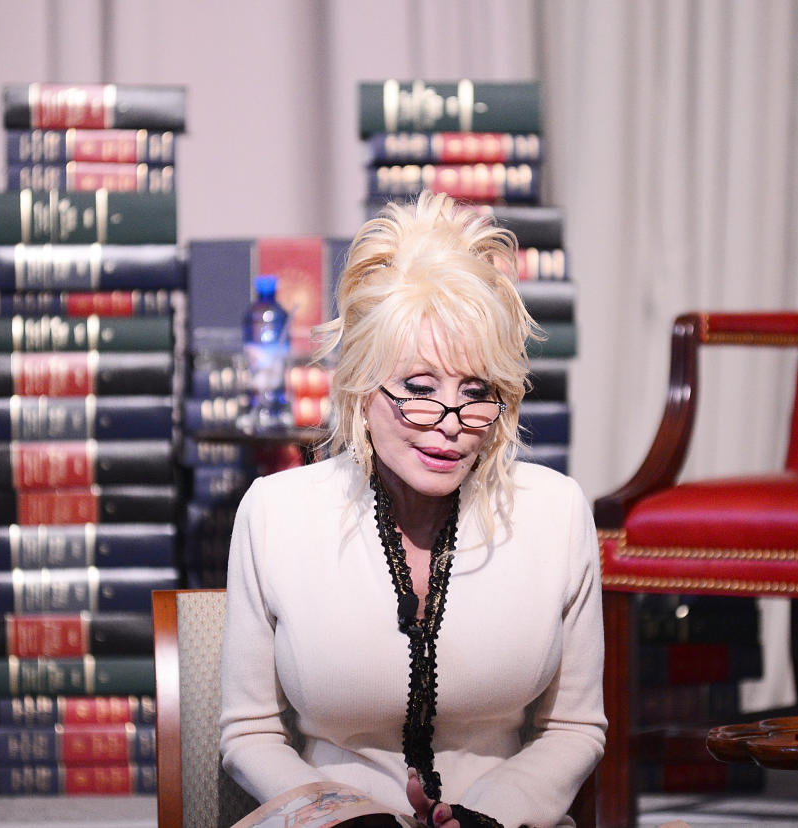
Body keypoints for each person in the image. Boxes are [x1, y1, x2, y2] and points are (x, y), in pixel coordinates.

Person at [219, 190, 607, 828]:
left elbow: (574, 728)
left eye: (477, 392)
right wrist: (344, 818)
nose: (450, 424)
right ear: (362, 386)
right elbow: (249, 733)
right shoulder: (275, 513)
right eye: (420, 389)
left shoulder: (557, 515)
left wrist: (489, 816)